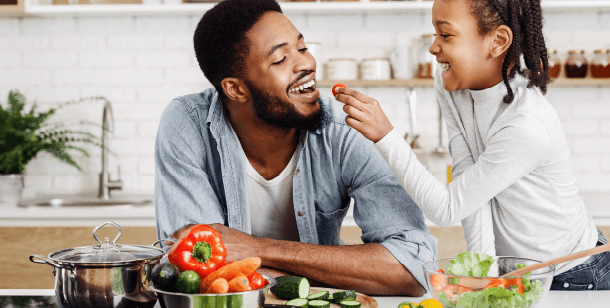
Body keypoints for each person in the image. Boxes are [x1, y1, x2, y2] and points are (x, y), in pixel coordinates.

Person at [154, 0, 437, 296]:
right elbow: (194, 272)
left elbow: (413, 269)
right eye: (279, 60)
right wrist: (339, 272)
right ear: (236, 89)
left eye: (302, 48)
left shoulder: (347, 131)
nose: (306, 64)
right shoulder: (187, 124)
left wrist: (256, 249)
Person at [335, 0, 610, 290]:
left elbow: (448, 209)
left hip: (573, 272)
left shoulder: (527, 123)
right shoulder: (454, 85)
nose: (433, 47)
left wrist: (386, 136)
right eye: (434, 34)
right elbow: (469, 186)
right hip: (518, 274)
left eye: (446, 35)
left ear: (497, 41)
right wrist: (486, 275)